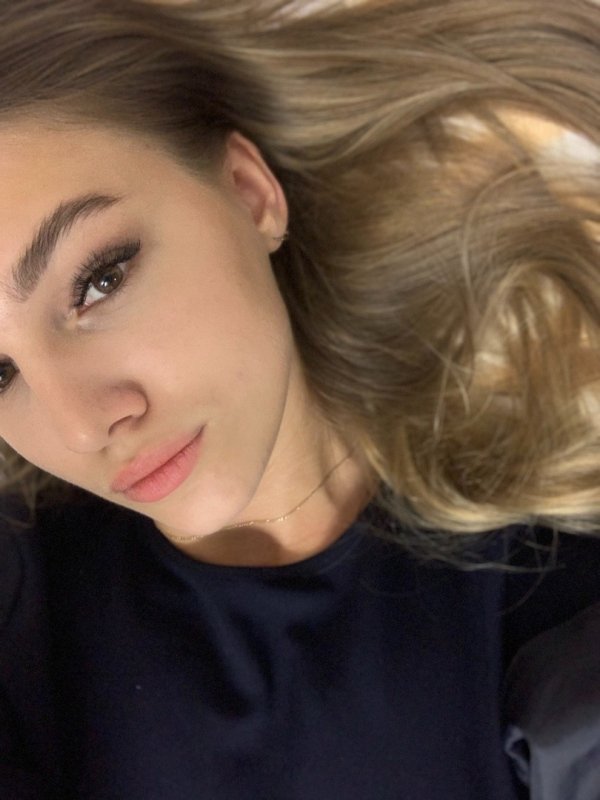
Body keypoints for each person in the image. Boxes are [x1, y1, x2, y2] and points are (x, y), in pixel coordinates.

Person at [0, 0, 598, 798]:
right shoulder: (26, 618)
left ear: (250, 194)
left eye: (99, 281)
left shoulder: (550, 576)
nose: (82, 426)